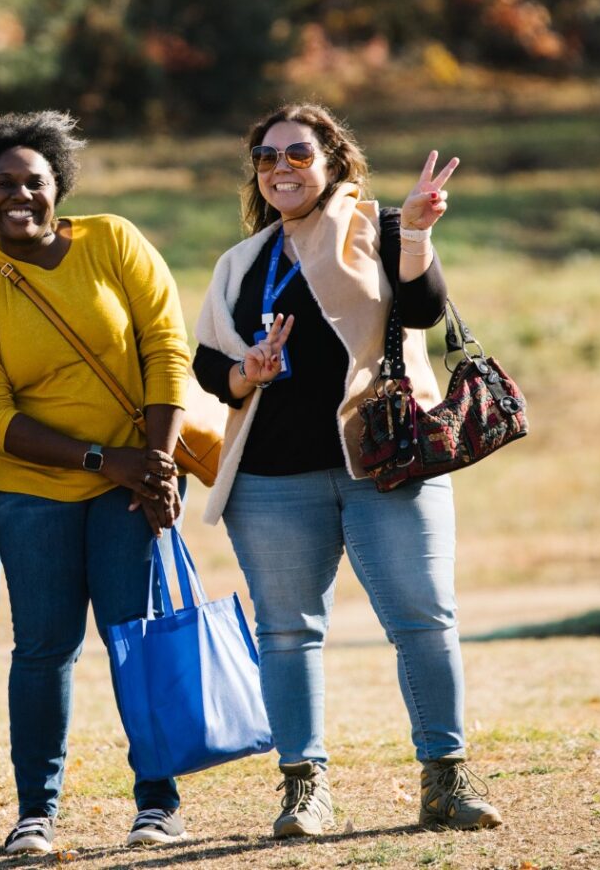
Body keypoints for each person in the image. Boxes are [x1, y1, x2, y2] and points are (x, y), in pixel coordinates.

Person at [191, 103, 502, 838]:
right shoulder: (244, 263)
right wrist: (247, 371)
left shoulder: (381, 227)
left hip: (388, 463)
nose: (280, 169)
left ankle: (447, 782)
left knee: (425, 620)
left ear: (332, 158)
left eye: (297, 154)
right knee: (286, 633)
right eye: (266, 158)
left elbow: (425, 310)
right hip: (269, 480)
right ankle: (305, 792)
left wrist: (419, 233)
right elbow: (208, 365)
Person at [0, 111, 191, 855]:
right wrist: (101, 460)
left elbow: (165, 350)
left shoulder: (112, 240)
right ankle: (36, 813)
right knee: (45, 648)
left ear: (59, 187)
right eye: (1, 184)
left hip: (133, 479)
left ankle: (158, 803)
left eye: (34, 181)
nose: (19, 195)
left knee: (133, 641)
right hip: (28, 491)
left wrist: (155, 464)